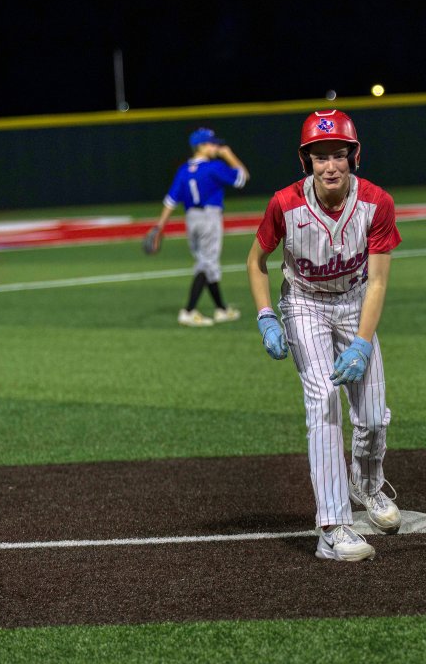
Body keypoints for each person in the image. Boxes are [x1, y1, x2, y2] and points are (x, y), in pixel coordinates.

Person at [246, 110, 402, 561]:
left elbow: (378, 282)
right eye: (320, 157)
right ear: (306, 161)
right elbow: (255, 261)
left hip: (355, 302)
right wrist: (265, 315)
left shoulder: (376, 203)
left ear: (353, 156)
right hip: (304, 304)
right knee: (324, 401)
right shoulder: (284, 204)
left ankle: (367, 485)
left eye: (338, 155)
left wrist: (362, 342)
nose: (330, 166)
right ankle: (332, 527)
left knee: (372, 418)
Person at [149, 127, 249, 327]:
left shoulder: (183, 170)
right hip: (209, 218)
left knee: (206, 264)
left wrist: (160, 226)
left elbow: (170, 201)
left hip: (191, 219)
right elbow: (243, 178)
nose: (216, 147)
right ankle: (188, 311)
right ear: (201, 146)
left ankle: (221, 309)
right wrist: (229, 155)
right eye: (212, 143)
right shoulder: (214, 167)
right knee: (206, 265)